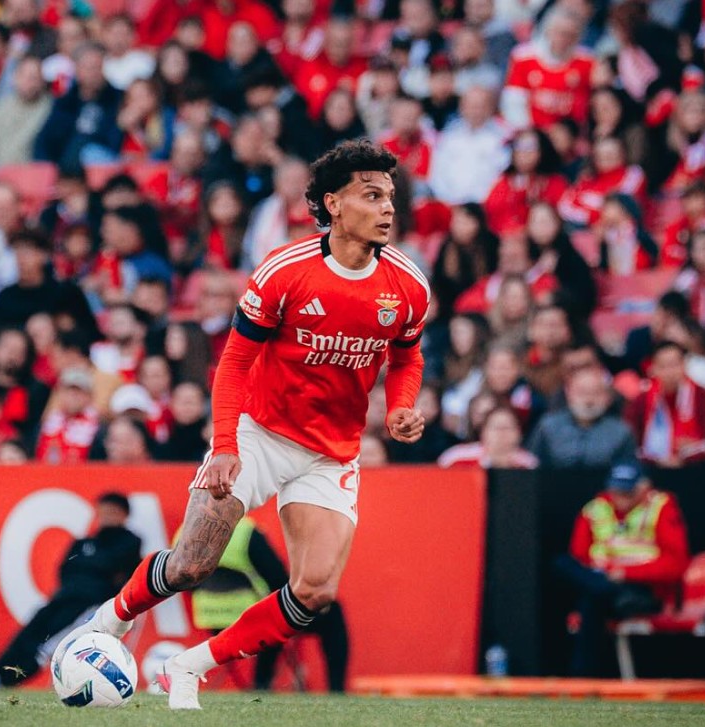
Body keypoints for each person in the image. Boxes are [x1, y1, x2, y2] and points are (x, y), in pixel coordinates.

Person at [56, 140, 429, 710]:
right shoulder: (286, 271)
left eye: (390, 197)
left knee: (315, 592)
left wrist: (402, 404)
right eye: (372, 195)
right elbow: (233, 363)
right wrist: (227, 444)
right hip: (259, 433)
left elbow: (407, 356)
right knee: (191, 565)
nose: (387, 208)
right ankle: (110, 620)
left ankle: (188, 666)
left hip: (331, 452)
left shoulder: (408, 285)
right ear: (333, 204)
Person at [0, 493, 142, 690]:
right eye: (103, 511)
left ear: (124, 515)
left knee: (47, 646)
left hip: (92, 605)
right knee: (29, 633)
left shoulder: (130, 542)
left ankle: (4, 680)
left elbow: (118, 572)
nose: (107, 516)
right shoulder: (84, 542)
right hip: (63, 598)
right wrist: (93, 569)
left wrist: (93, 569)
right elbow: (66, 568)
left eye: (112, 512)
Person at [183, 515, 350, 693]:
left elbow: (182, 578)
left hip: (210, 617)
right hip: (253, 619)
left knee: (273, 616)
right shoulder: (245, 532)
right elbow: (278, 580)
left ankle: (261, 684)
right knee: (329, 613)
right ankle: (334, 690)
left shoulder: (187, 531)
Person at [556, 459, 690, 676]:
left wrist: (625, 573)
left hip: (641, 590)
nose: (620, 498)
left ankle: (582, 676)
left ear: (644, 487)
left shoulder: (661, 507)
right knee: (565, 565)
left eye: (627, 492)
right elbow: (579, 558)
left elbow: (675, 566)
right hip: (601, 582)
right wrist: (603, 575)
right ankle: (601, 587)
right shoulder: (595, 509)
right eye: (616, 491)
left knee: (593, 597)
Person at [624, 341, 705, 468]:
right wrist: (657, 460)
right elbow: (633, 443)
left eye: (674, 365)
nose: (670, 372)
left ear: (684, 365)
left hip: (693, 467)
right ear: (653, 369)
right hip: (652, 467)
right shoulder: (642, 399)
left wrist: (686, 454)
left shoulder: (701, 395)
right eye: (663, 366)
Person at [527, 367, 638, 469]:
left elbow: (629, 470)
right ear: (568, 393)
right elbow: (531, 464)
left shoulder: (621, 432)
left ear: (608, 396)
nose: (588, 400)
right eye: (582, 392)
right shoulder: (548, 426)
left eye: (595, 393)